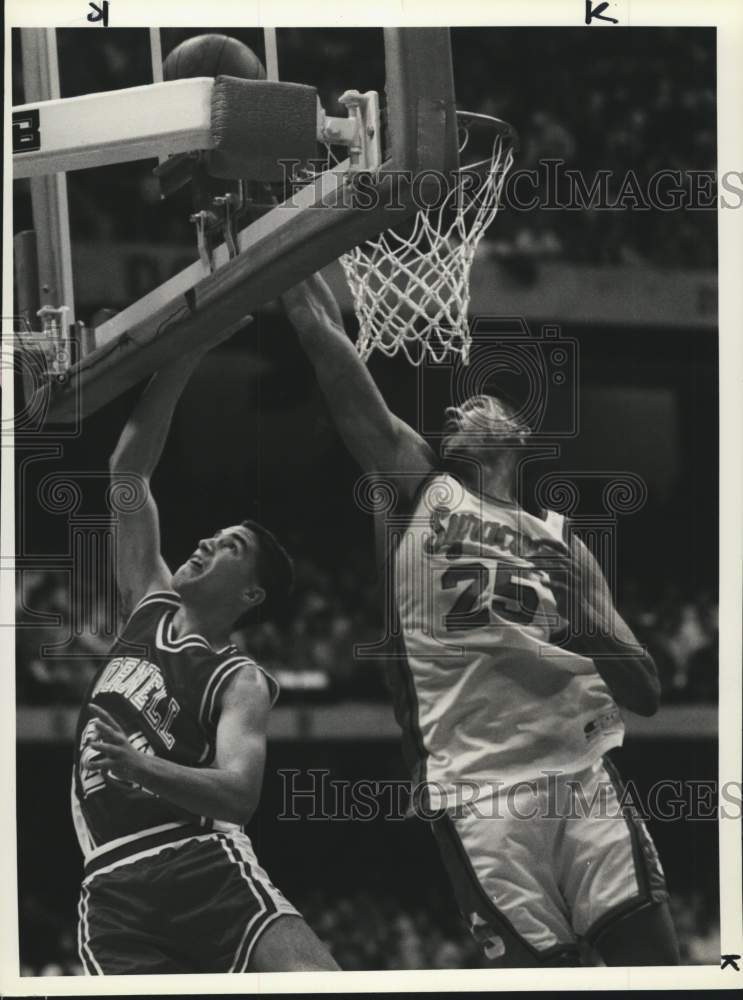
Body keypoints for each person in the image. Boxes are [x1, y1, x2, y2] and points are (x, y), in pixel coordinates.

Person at [282, 271, 680, 968]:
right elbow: (326, 344)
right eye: (456, 408)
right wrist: (284, 245)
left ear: (519, 438)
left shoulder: (561, 538)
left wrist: (584, 618)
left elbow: (643, 692)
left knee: (657, 970)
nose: (462, 409)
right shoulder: (419, 486)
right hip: (477, 790)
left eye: (481, 401)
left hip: (582, 773)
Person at [71, 339, 339, 974]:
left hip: (197, 858)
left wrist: (141, 767)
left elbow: (239, 795)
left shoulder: (238, 680)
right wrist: (184, 353)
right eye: (215, 534)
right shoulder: (148, 603)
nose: (208, 540)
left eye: (231, 546)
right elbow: (128, 472)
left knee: (322, 984)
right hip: (110, 880)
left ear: (250, 593)